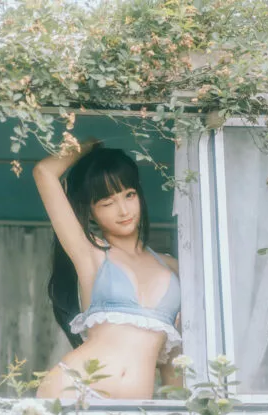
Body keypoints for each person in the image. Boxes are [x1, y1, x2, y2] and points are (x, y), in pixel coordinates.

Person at [34, 140, 182, 400]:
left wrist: (182, 411)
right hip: (75, 390)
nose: (123, 210)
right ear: (90, 212)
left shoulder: (172, 268)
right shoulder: (90, 253)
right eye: (107, 202)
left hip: (134, 408)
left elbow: (173, 360)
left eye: (129, 195)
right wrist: (87, 145)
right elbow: (44, 172)